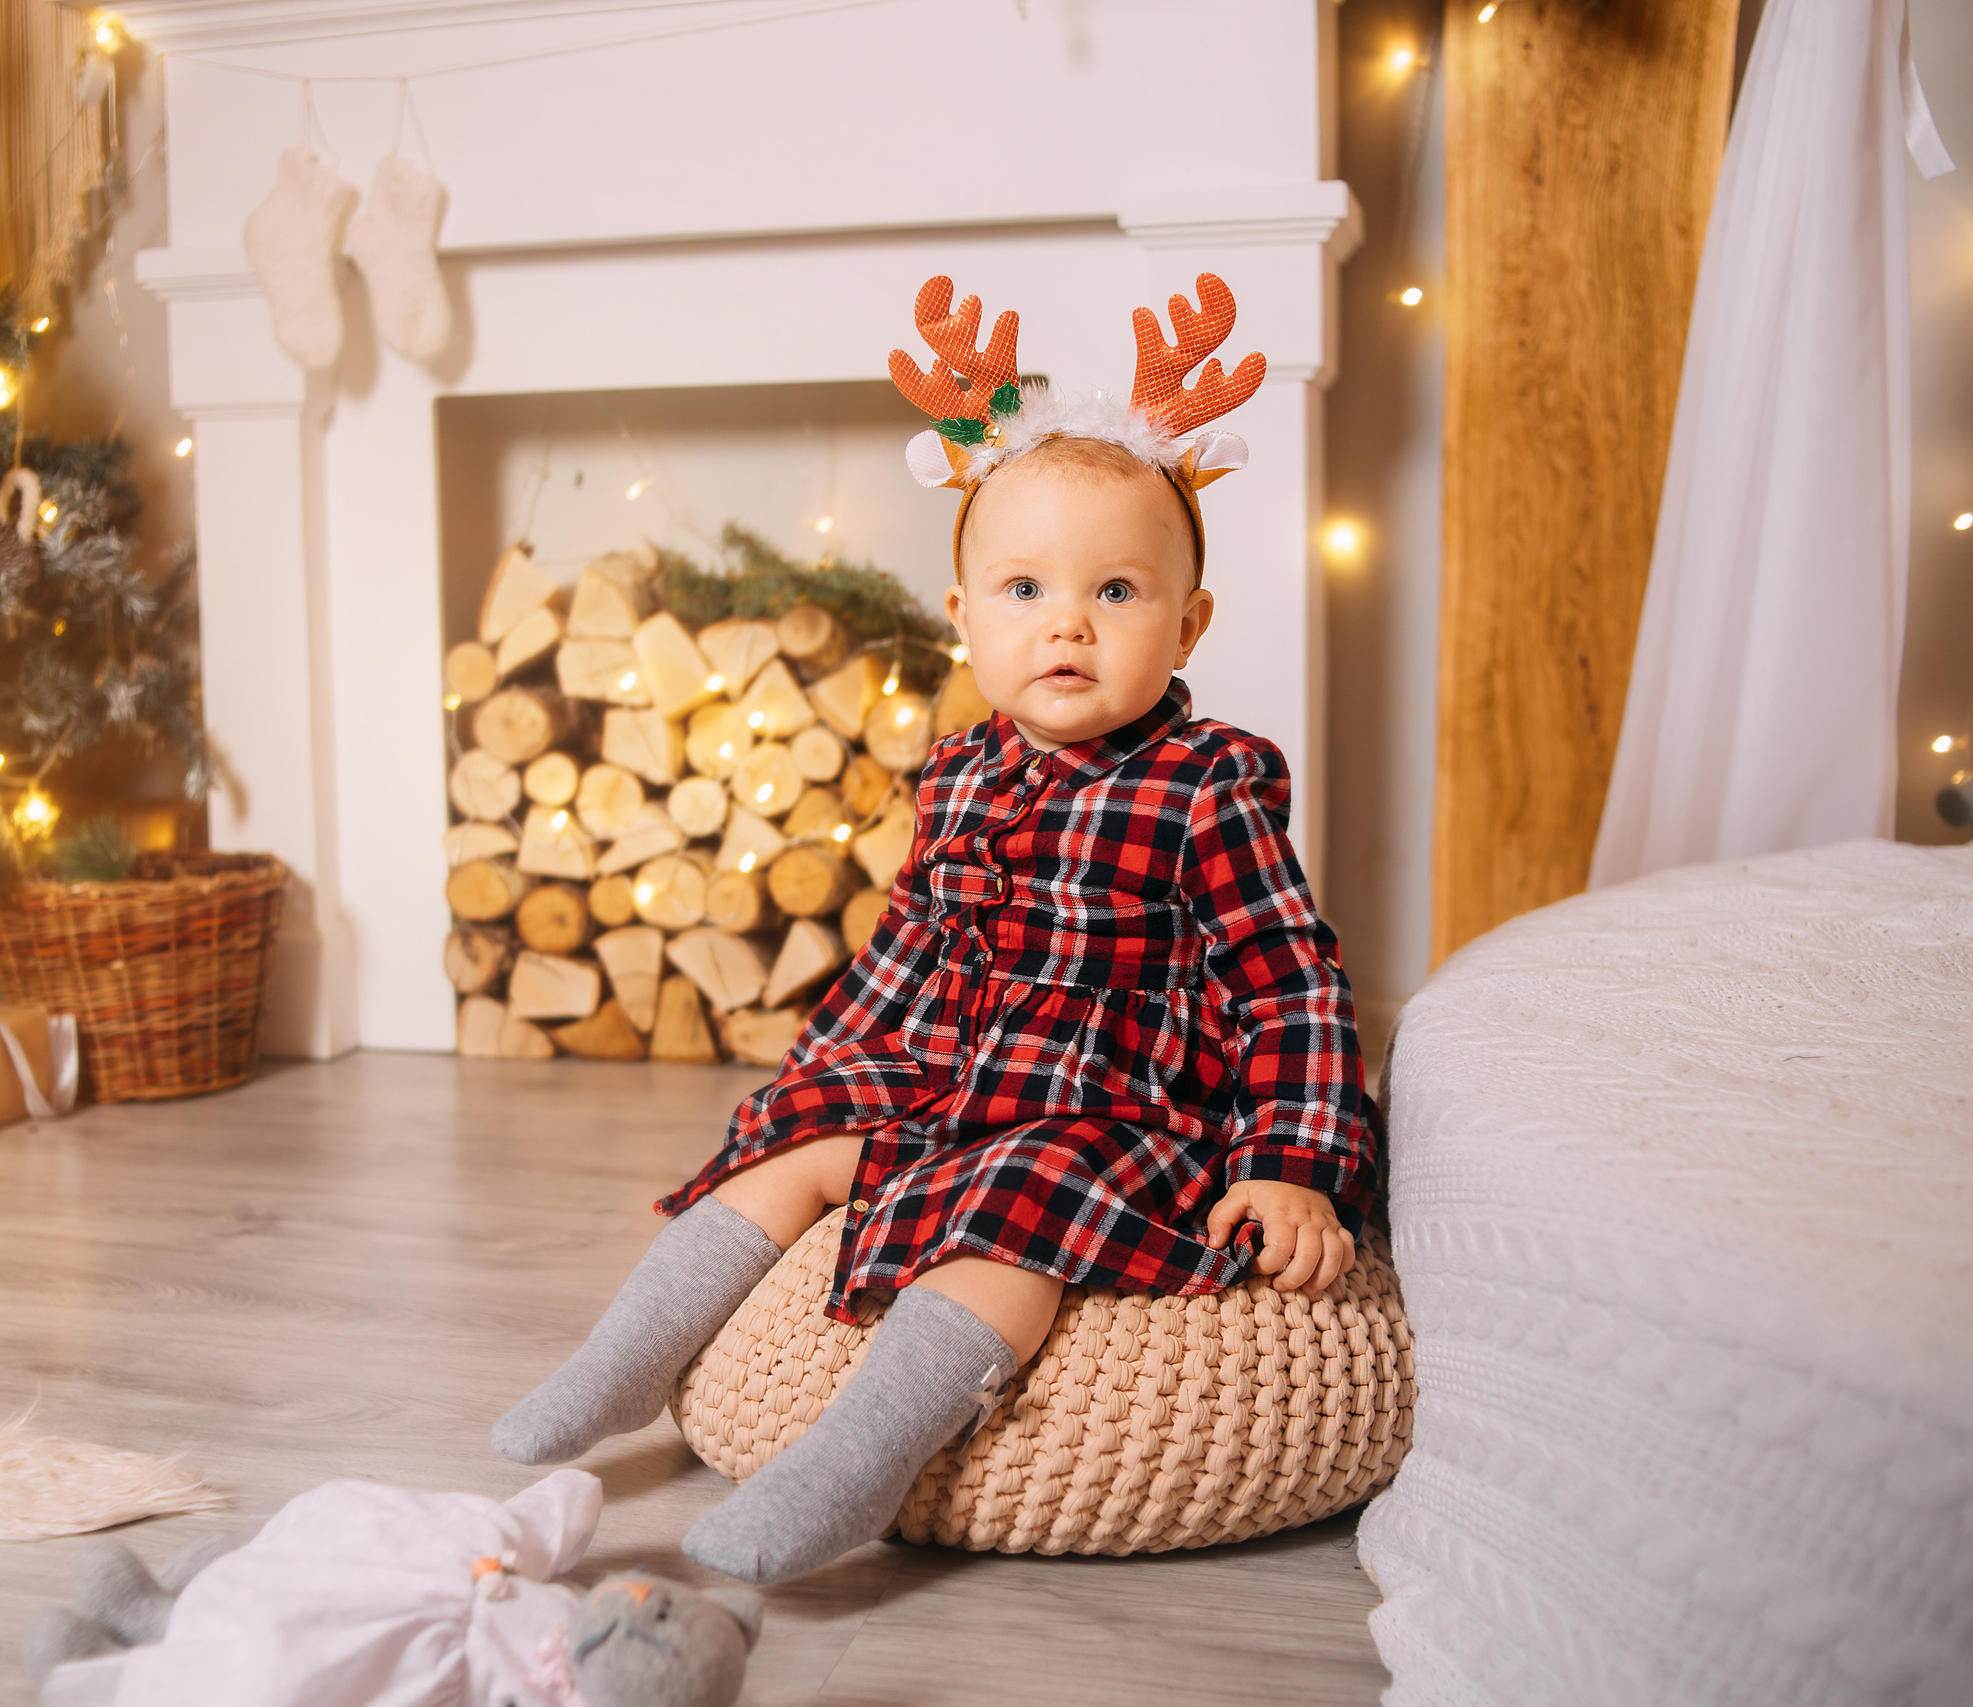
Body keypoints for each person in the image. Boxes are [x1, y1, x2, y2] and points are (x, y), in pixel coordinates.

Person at [492, 274, 1380, 1586]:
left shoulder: (1210, 783)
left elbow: (1291, 986)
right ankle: (622, 1364)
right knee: (790, 1159)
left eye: (1119, 593)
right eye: (1024, 588)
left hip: (1108, 1099)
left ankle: (858, 1459)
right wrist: (801, 1101)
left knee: (1017, 1214)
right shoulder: (959, 772)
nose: (1068, 621)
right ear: (965, 620)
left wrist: (1293, 1161)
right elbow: (902, 961)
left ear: (1189, 622)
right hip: (950, 1065)